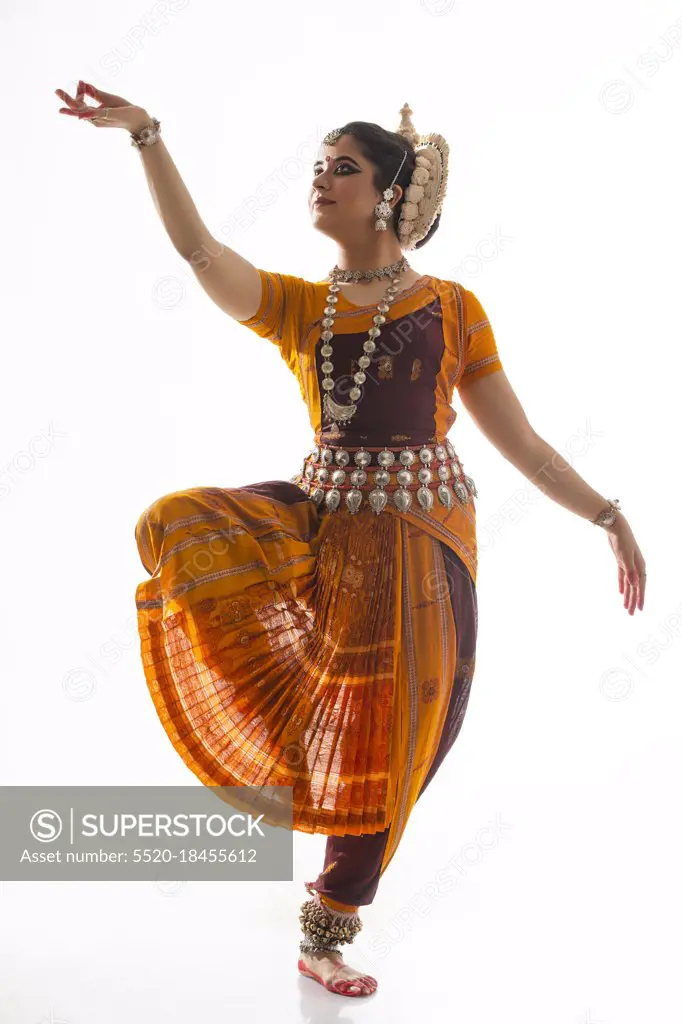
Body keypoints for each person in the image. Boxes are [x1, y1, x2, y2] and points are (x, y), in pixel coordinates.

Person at [55, 85, 647, 999]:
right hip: (322, 532)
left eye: (344, 169)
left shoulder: (453, 308)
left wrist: (607, 515)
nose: (321, 182)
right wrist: (147, 136)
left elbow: (521, 443)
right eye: (318, 168)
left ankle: (328, 927)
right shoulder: (304, 308)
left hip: (424, 543)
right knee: (177, 523)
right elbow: (201, 251)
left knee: (404, 736)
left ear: (391, 195)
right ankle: (294, 822)